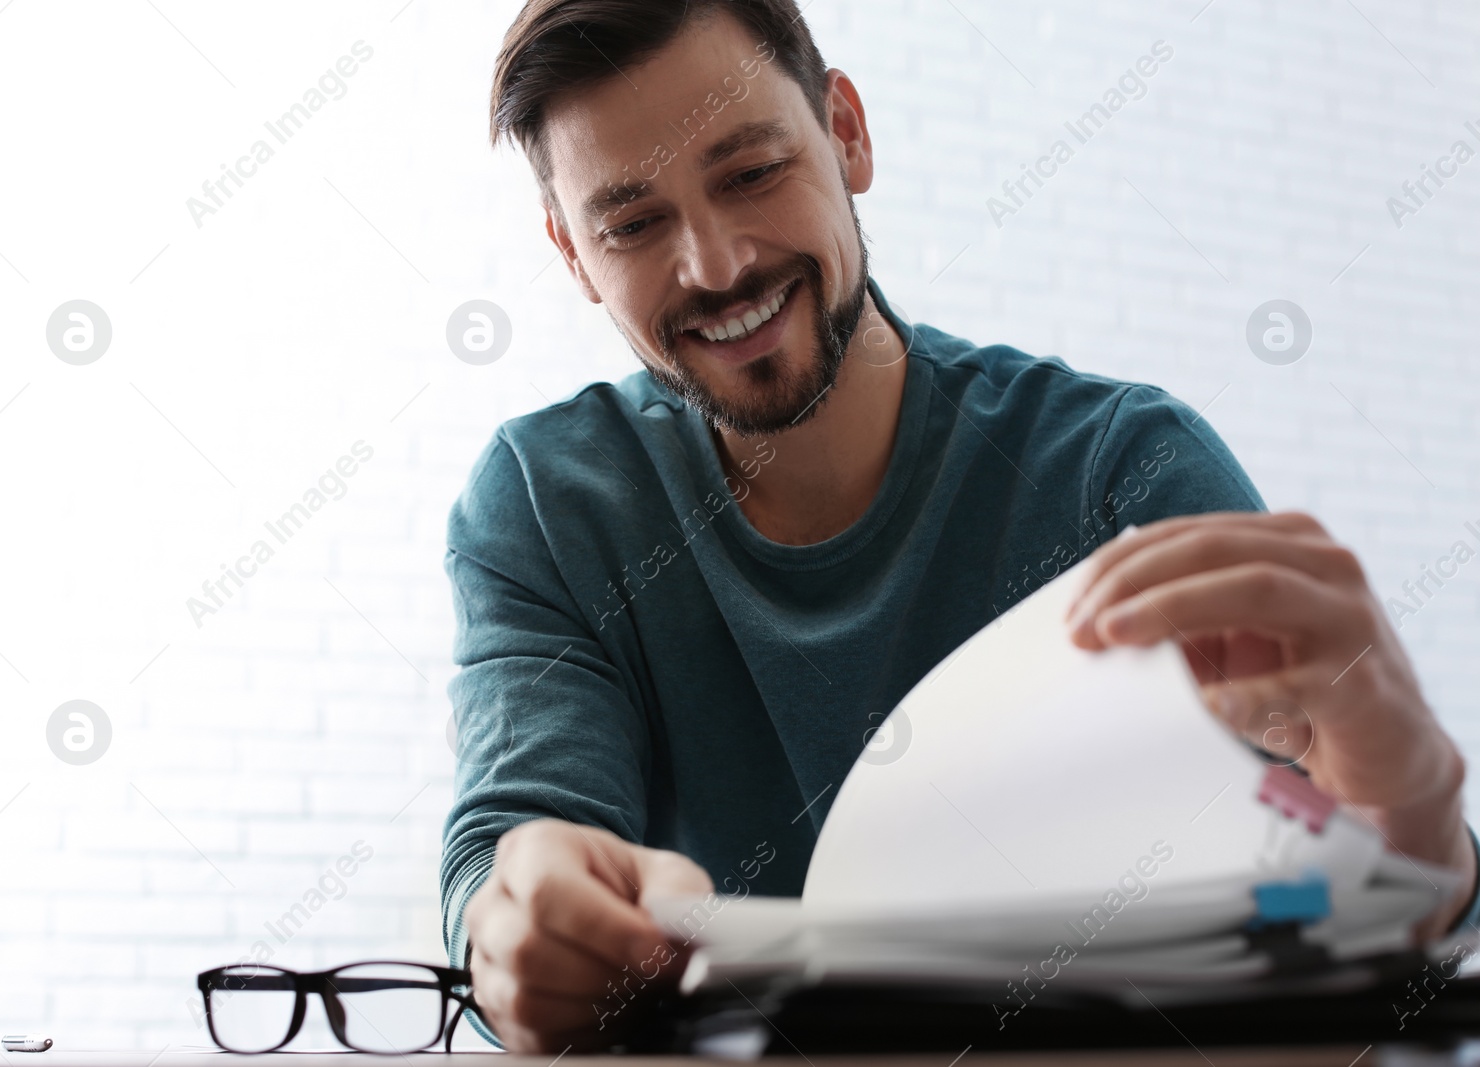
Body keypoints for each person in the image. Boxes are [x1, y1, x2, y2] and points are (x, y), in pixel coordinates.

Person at [440, 0, 1479, 1051]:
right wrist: (521, 921)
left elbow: (1350, 950)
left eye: (751, 171)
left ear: (846, 132)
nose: (713, 265)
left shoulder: (1121, 470)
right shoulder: (545, 504)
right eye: (632, 225)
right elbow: (510, 849)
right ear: (572, 253)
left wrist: (1415, 806)